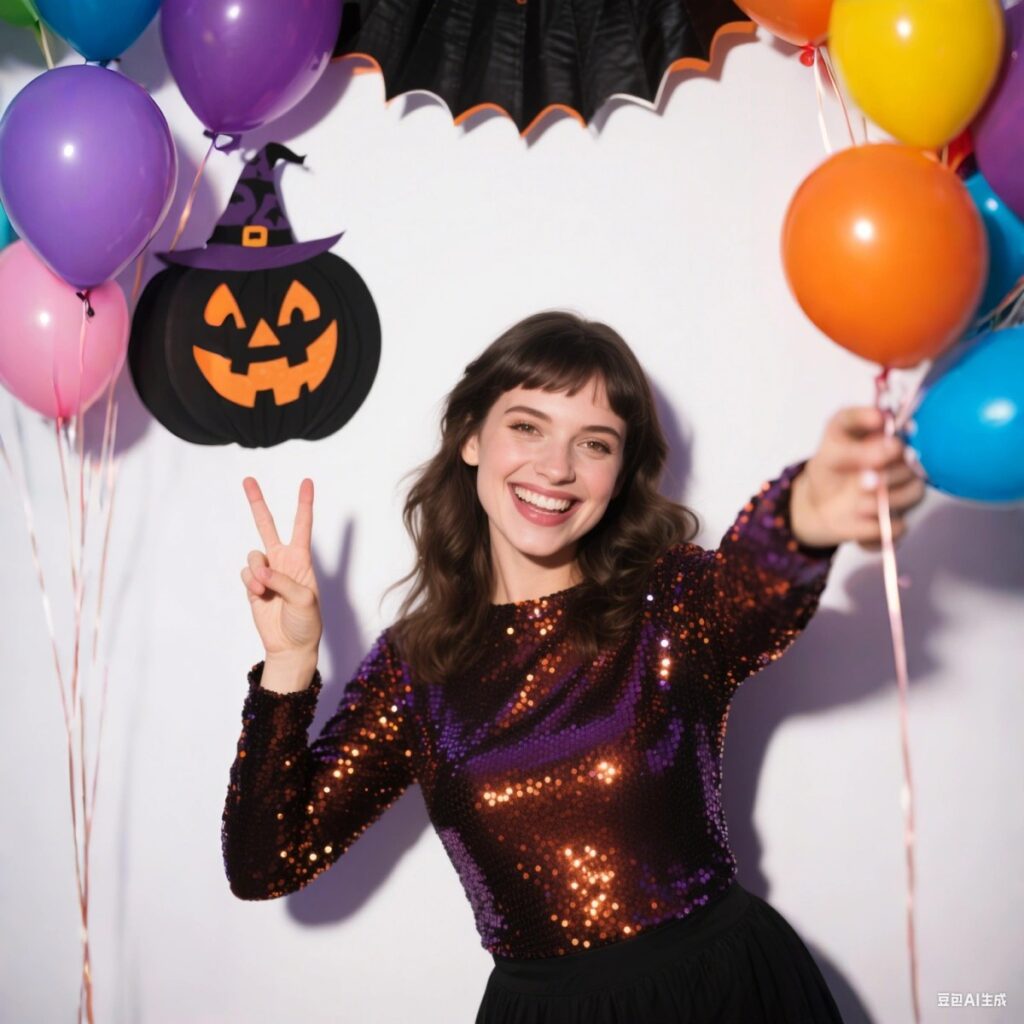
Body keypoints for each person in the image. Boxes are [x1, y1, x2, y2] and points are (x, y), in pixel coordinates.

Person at [222, 311, 926, 1022]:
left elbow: (753, 589)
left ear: (620, 474)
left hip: (724, 993)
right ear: (470, 437)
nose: (556, 468)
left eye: (593, 443)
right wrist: (288, 666)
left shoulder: (670, 601)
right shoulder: (416, 666)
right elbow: (265, 864)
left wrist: (803, 512)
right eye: (527, 427)